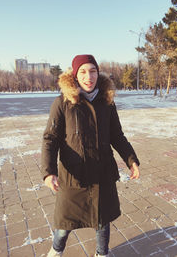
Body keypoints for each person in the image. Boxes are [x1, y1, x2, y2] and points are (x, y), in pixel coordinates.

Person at [41, 54, 140, 257]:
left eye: (92, 71)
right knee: (65, 223)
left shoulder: (107, 102)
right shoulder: (63, 103)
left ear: (98, 73)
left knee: (102, 221)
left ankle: (101, 254)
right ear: (75, 75)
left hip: (102, 174)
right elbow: (50, 139)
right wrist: (49, 172)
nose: (89, 77)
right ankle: (56, 251)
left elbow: (117, 135)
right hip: (74, 177)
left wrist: (131, 160)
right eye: (83, 72)